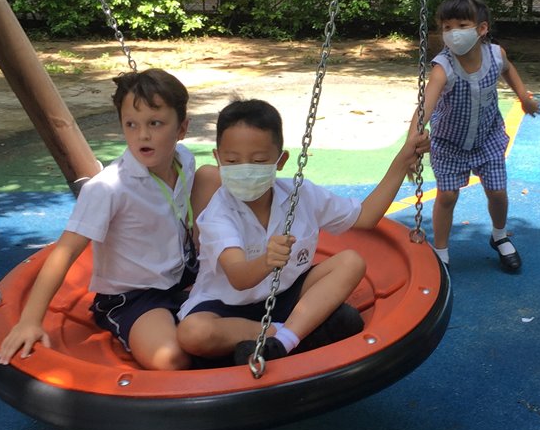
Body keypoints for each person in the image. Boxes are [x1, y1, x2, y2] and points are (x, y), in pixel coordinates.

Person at [176, 98, 430, 366]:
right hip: (226, 306)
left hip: (285, 294)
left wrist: (402, 162)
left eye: (259, 160)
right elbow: (239, 277)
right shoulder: (218, 213)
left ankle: (283, 342)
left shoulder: (301, 194)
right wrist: (266, 261)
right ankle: (288, 333)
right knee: (193, 333)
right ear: (217, 159)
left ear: (281, 160)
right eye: (232, 160)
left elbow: (365, 217)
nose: (245, 169)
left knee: (351, 262)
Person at [0, 69, 220, 371]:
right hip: (135, 295)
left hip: (185, 271)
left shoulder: (184, 160)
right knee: (170, 358)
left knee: (211, 176)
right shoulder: (108, 188)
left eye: (155, 123)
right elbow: (65, 252)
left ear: (182, 128)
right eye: (131, 124)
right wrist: (29, 321)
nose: (142, 135)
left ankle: (213, 271)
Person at [419, 0, 540, 272]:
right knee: (447, 196)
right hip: (449, 143)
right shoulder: (443, 67)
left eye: (462, 25)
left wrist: (523, 97)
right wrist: (417, 131)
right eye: (447, 27)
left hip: (488, 137)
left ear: (481, 28)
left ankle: (499, 236)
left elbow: (508, 69)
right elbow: (427, 103)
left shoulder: (495, 55)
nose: (453, 33)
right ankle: (441, 251)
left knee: (497, 191)